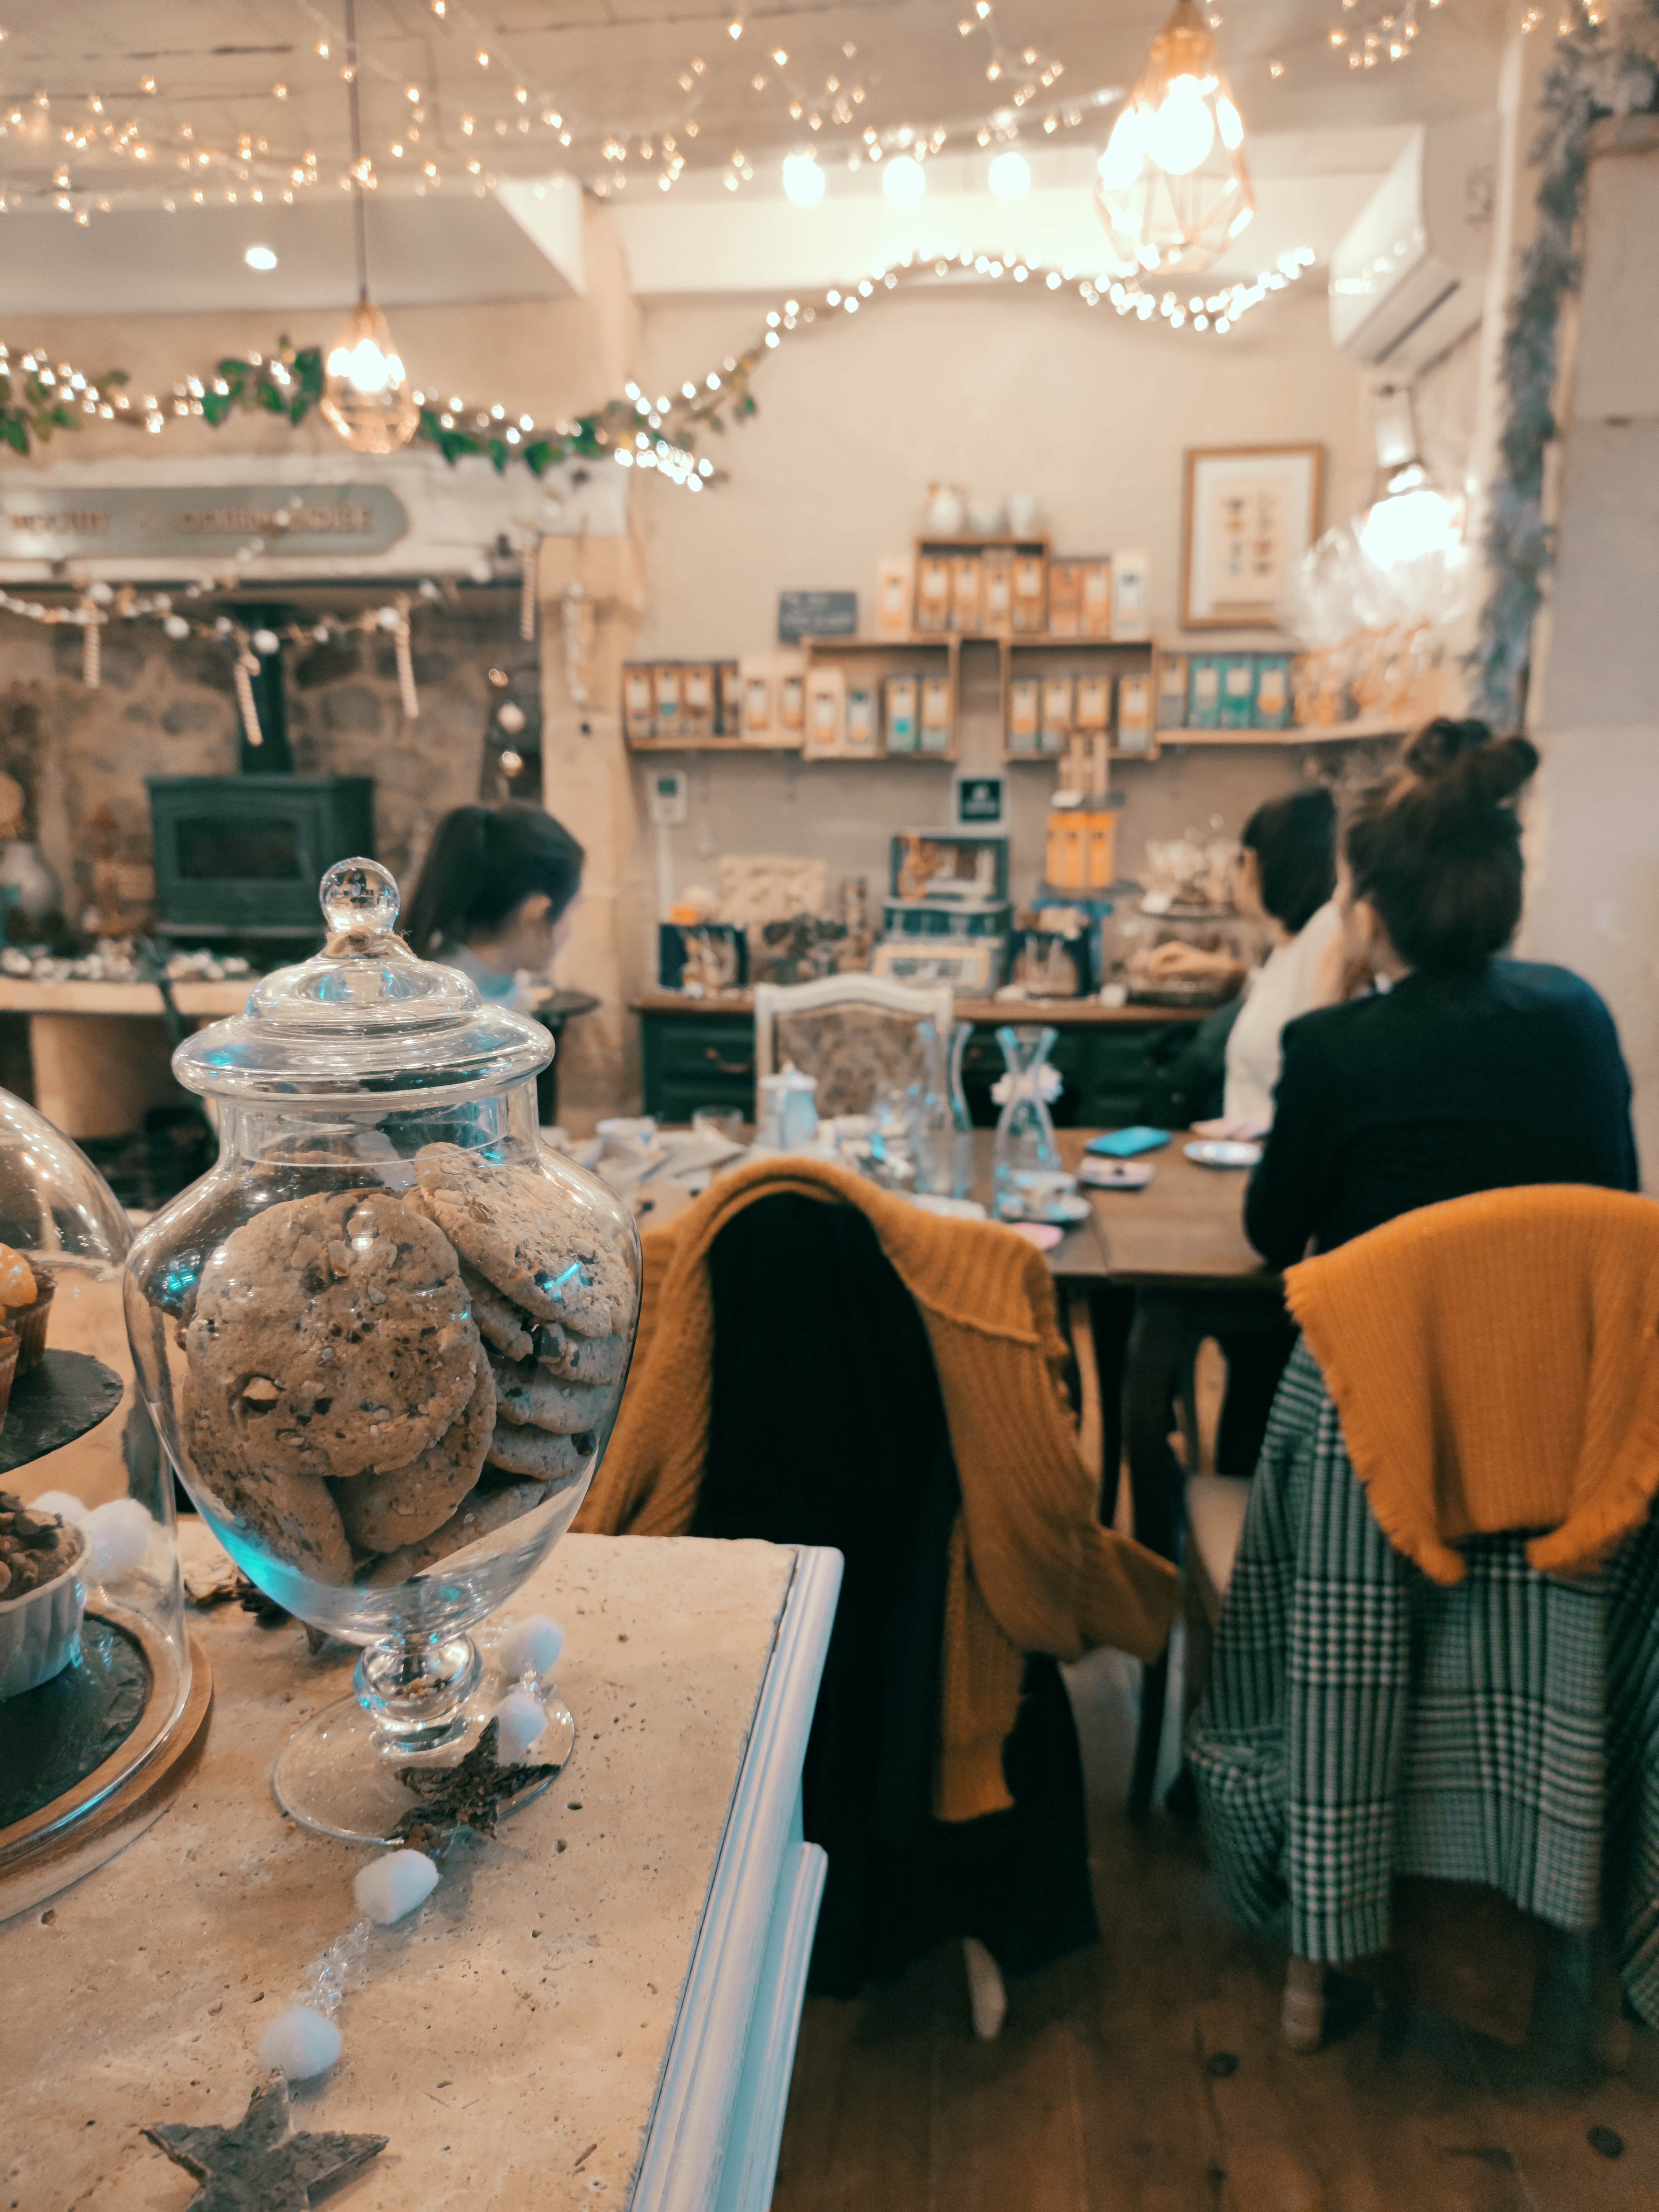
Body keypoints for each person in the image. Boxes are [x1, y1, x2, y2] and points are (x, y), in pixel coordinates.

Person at [1246, 719, 1638, 1268]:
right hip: (1565, 1324)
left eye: (1344, 885)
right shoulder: (1577, 1010)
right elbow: (1619, 1200)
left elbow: (1274, 1234)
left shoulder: (1333, 1048)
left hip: (1387, 1328)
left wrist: (1331, 1005)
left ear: (1368, 916)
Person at [1223, 786, 1340, 1129]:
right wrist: (1229, 973)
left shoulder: (1327, 934)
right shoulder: (1292, 943)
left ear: (1254, 864)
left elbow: (1323, 1078)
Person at [402, 802, 584, 1006]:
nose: (569, 933)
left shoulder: (486, 982)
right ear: (535, 912)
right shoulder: (461, 1007)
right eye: (570, 912)